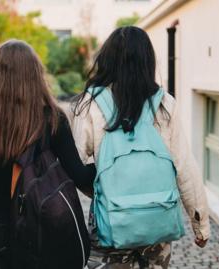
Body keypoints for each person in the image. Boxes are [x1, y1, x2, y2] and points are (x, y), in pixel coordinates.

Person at [70, 26, 210, 269]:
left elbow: (76, 166)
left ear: (107, 59)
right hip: (157, 221)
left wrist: (105, 192)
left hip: (110, 224)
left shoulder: (90, 104)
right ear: (148, 60)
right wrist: (200, 225)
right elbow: (185, 167)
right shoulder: (165, 104)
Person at [0, 39, 96, 268]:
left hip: (1, 238)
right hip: (46, 234)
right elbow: (80, 176)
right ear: (35, 76)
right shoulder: (53, 119)